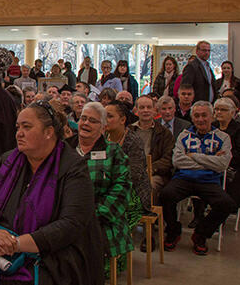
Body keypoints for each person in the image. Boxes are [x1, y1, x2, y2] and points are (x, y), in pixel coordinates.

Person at [0, 100, 104, 284]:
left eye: (27, 127)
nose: (19, 133)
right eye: (18, 127)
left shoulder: (73, 168)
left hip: (53, 257)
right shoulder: (8, 161)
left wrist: (16, 244)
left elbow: (70, 225)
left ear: (49, 132)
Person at [160, 101, 237, 256]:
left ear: (212, 116)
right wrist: (210, 160)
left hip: (209, 181)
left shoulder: (223, 137)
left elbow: (222, 165)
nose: (200, 119)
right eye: (196, 116)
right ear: (192, 117)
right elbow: (177, 161)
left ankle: (201, 234)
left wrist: (193, 156)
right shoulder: (184, 135)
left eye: (204, 115)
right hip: (184, 179)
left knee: (226, 204)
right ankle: (174, 231)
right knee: (165, 195)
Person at [68, 101, 132, 276]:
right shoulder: (64, 149)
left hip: (101, 218)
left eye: (93, 121)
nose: (86, 123)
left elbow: (122, 189)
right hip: (67, 217)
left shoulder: (113, 152)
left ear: (103, 128)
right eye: (83, 119)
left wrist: (93, 214)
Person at [105, 100, 152, 250]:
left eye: (110, 116)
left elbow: (135, 175)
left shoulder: (133, 141)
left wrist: (109, 179)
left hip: (133, 193)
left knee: (108, 211)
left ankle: (114, 254)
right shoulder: (102, 138)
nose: (105, 120)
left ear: (123, 119)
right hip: (108, 188)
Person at [131, 95, 174, 202]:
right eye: (142, 107)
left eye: (149, 107)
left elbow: (168, 159)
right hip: (131, 172)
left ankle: (148, 216)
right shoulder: (129, 131)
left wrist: (150, 169)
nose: (145, 110)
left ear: (154, 110)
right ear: (136, 110)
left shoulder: (164, 133)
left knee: (149, 185)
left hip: (155, 173)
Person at [212, 98, 240, 208]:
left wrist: (224, 155)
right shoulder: (212, 127)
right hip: (212, 164)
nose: (219, 112)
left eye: (223, 110)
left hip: (233, 166)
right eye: (217, 109)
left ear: (232, 113)